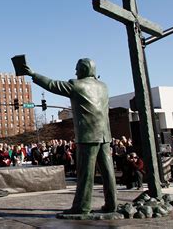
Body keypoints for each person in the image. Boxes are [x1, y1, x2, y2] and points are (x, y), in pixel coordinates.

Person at [24, 58, 117, 215]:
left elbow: (52, 85)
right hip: (104, 135)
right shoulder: (103, 86)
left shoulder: (76, 85)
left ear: (84, 69)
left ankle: (82, 207)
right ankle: (112, 204)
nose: (75, 72)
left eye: (77, 69)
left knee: (86, 174)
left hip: (88, 136)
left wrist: (33, 74)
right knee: (108, 172)